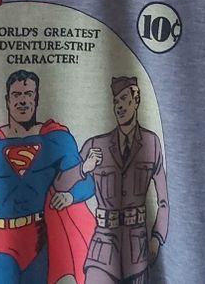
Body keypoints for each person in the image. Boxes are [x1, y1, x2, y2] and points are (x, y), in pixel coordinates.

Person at [0, 70, 96, 284]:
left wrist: (70, 196)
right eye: (17, 95)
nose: (23, 100)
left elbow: (87, 183)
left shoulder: (56, 139)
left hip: (41, 240)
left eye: (28, 94)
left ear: (37, 98)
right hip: (0, 239)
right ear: (7, 100)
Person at [77, 76, 169, 284]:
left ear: (136, 100)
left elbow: (163, 201)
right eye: (116, 101)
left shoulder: (151, 142)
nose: (119, 106)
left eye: (124, 99)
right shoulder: (96, 144)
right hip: (103, 250)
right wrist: (84, 168)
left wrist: (157, 238)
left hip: (137, 253)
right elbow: (62, 182)